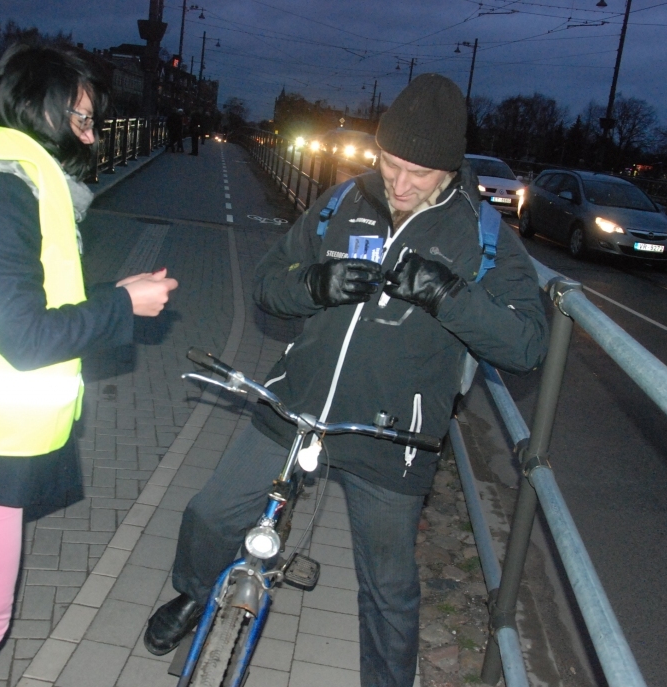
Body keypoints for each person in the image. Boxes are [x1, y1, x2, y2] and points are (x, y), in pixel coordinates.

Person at [142, 74, 548, 686]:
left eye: (420, 174)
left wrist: (450, 296)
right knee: (210, 513)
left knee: (388, 589)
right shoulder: (341, 201)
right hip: (296, 403)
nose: (401, 184)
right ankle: (194, 592)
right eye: (391, 164)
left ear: (449, 170)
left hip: (393, 438)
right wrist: (313, 286)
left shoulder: (483, 236)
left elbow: (526, 345)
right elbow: (267, 284)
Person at [0, 44, 178, 687]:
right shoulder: (3, 190)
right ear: (39, 106)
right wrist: (122, 305)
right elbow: (25, 337)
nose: (88, 135)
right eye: (80, 119)